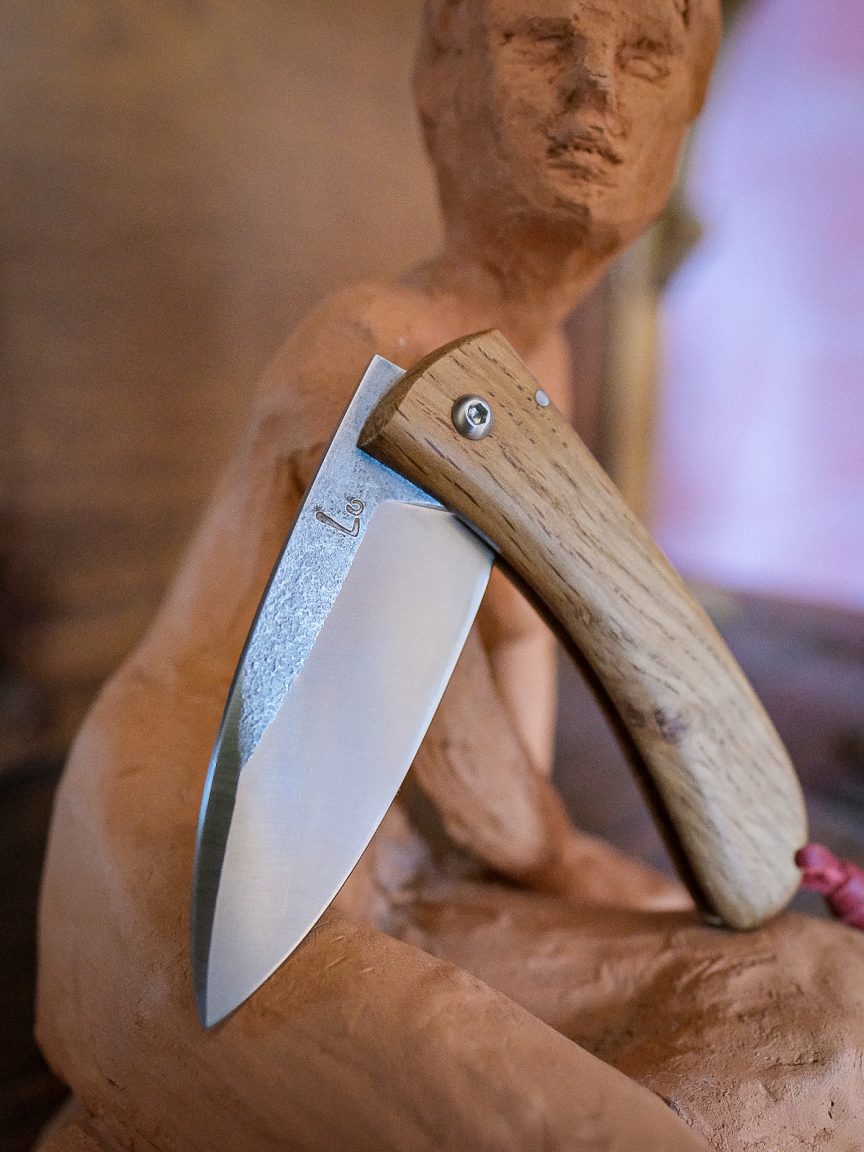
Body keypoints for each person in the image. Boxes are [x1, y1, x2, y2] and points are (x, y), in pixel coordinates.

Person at [37, 2, 864, 1148]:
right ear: (442, 79)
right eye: (541, 39)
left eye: (644, 55)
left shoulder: (533, 372)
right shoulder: (371, 349)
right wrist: (559, 857)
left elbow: (517, 646)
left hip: (382, 861)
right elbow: (459, 749)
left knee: (828, 1002)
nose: (596, 89)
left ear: (692, 102)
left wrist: (555, 859)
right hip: (197, 880)